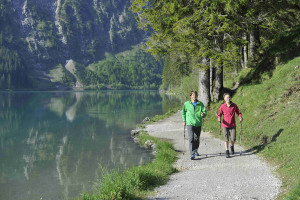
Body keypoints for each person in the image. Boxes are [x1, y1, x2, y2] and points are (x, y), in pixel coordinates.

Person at [182, 90, 207, 160]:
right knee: (191, 138)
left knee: (197, 138)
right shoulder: (186, 104)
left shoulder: (200, 104)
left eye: (195, 95)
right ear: (190, 96)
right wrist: (184, 120)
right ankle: (192, 153)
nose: (194, 96)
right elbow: (183, 112)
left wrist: (203, 114)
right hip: (190, 123)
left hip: (198, 123)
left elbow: (204, 112)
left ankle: (195, 150)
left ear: (197, 96)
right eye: (192, 95)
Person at [218, 93, 243, 158]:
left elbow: (239, 112)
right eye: (227, 98)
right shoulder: (222, 106)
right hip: (225, 125)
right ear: (224, 99)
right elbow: (219, 114)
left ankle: (232, 146)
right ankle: (227, 151)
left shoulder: (234, 105)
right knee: (226, 138)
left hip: (232, 125)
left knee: (233, 138)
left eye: (229, 97)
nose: (228, 99)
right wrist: (219, 118)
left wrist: (240, 117)